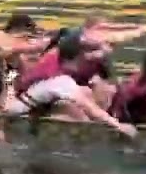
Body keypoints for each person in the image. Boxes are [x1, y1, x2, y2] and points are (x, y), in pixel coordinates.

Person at [9, 36, 137, 139]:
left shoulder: (60, 70)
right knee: (80, 110)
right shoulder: (61, 80)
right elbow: (89, 106)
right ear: (77, 58)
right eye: (84, 56)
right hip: (15, 115)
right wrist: (118, 126)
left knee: (85, 93)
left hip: (32, 107)